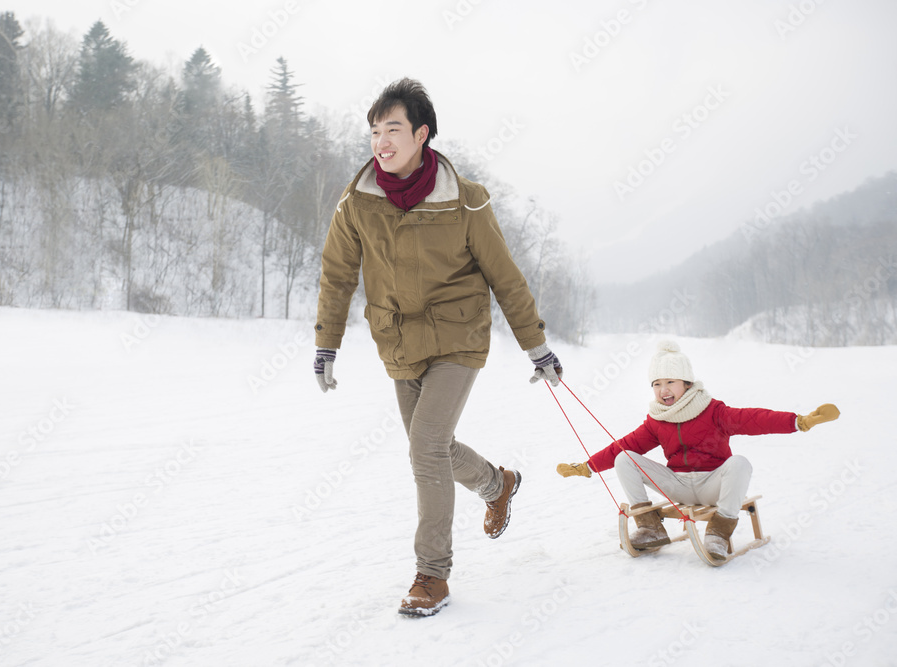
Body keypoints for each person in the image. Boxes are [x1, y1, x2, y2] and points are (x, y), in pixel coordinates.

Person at [313, 78, 562, 616]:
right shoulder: (357, 202)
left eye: (393, 129)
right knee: (434, 446)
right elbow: (337, 276)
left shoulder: (465, 200)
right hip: (398, 339)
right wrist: (326, 344)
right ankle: (498, 486)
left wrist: (535, 345)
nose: (381, 141)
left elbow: (505, 275)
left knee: (424, 445)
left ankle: (432, 574)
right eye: (375, 131)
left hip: (458, 335)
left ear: (422, 134)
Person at [556, 340, 839, 561]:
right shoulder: (658, 420)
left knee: (740, 462)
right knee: (625, 457)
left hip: (712, 484)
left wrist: (798, 421)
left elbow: (753, 419)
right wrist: (587, 466)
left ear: (687, 384)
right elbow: (625, 445)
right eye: (657, 384)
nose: (663, 390)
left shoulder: (713, 410)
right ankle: (650, 527)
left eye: (670, 382)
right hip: (676, 484)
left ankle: (719, 531)